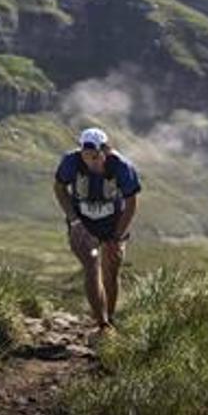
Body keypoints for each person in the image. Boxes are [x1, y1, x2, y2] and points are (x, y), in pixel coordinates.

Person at [53, 126, 141, 331]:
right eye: (87, 156)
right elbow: (59, 188)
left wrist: (117, 238)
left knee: (111, 269)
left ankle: (110, 317)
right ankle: (102, 323)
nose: (92, 160)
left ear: (106, 151)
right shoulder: (71, 162)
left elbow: (131, 203)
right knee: (92, 265)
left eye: (96, 156)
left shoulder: (121, 167)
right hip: (84, 223)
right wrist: (75, 222)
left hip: (114, 224)